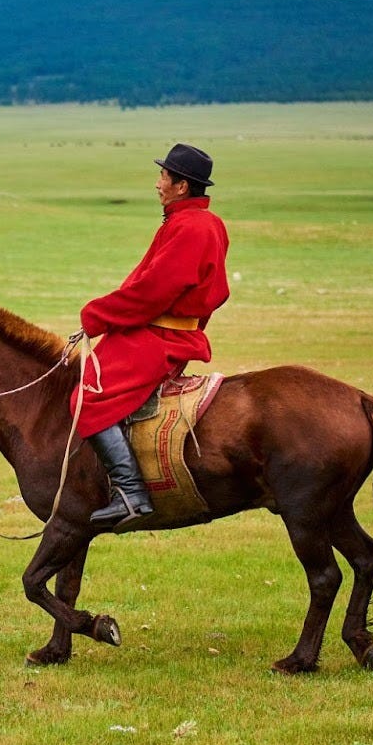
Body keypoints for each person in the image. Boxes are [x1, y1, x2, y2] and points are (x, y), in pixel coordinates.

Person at [76, 143, 230, 533]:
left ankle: (131, 493)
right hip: (163, 331)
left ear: (182, 185)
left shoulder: (190, 227)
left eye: (163, 176)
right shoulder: (200, 223)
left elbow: (153, 292)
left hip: (160, 337)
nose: (158, 183)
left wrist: (96, 315)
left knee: (89, 395)